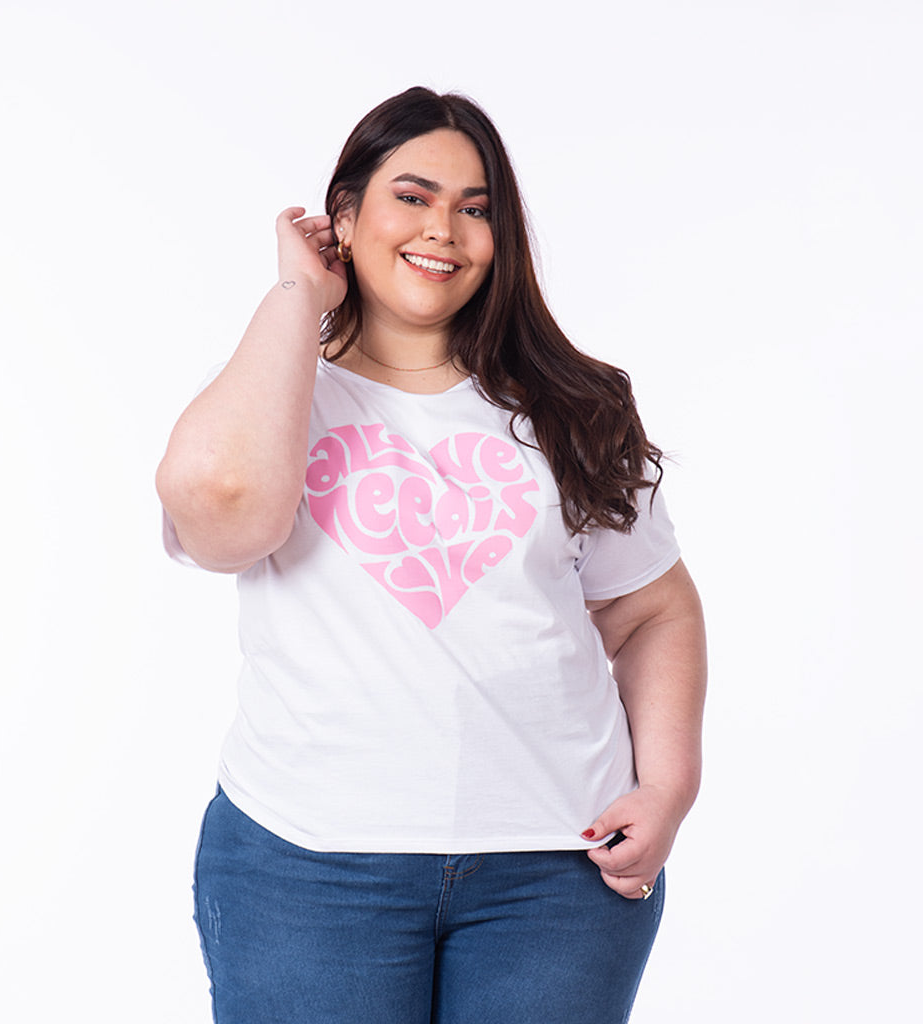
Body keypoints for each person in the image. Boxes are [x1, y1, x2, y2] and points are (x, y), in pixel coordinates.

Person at [156, 86, 706, 1024]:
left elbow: (652, 607)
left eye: (474, 208)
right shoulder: (275, 389)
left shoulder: (572, 409)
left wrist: (668, 787)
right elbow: (224, 520)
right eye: (411, 197)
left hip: (558, 876)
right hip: (307, 868)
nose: (442, 230)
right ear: (344, 216)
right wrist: (298, 294)